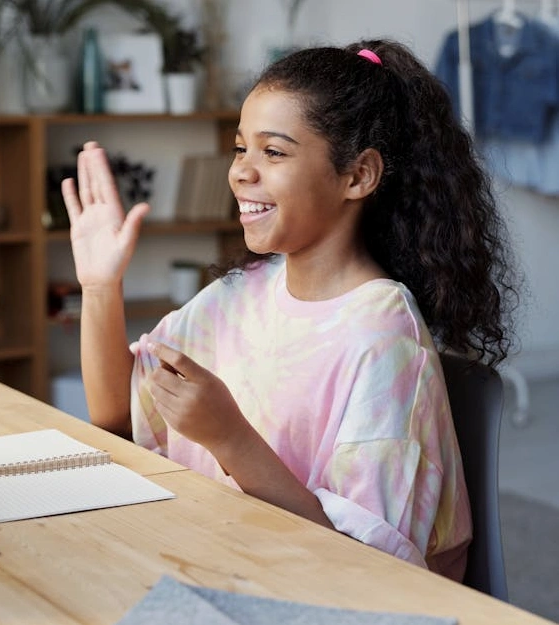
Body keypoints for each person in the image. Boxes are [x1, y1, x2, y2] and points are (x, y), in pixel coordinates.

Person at [60, 39, 518, 582]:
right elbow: (117, 420)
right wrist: (100, 285)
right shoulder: (238, 294)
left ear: (357, 177)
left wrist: (230, 438)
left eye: (273, 152)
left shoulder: (384, 342)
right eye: (239, 148)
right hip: (218, 565)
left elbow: (366, 572)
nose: (241, 173)